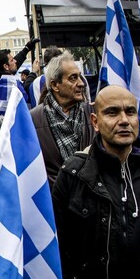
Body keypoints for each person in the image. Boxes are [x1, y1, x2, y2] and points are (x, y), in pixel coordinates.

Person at [52, 85, 140, 279]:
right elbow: (56, 244)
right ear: (95, 121)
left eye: (130, 111)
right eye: (112, 112)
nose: (123, 120)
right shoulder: (74, 174)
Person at [30, 51, 95, 187]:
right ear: (55, 85)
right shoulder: (33, 119)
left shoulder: (94, 113)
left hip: (91, 197)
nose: (81, 83)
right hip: (54, 200)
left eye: (80, 77)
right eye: (73, 78)